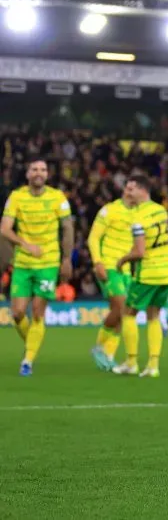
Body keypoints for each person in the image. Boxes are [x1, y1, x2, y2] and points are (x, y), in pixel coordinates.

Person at [0, 159, 73, 376]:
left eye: (42, 170)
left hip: (48, 262)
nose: (38, 173)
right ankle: (33, 342)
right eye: (34, 169)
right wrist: (25, 244)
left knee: (38, 313)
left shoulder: (57, 197)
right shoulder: (17, 196)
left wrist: (67, 259)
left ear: (47, 174)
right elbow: (4, 229)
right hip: (22, 262)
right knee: (18, 313)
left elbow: (67, 227)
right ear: (28, 174)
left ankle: (28, 360)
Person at [111, 175, 168, 378]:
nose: (127, 193)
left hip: (148, 273)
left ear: (143, 190)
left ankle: (131, 362)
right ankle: (153, 366)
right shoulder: (161, 210)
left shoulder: (138, 218)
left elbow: (139, 252)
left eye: (131, 189)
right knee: (153, 315)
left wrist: (122, 261)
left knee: (128, 313)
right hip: (167, 271)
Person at [87, 181, 140, 370]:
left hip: (127, 271)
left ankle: (107, 353)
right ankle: (99, 348)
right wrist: (97, 262)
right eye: (128, 187)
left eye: (134, 188)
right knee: (122, 307)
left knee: (120, 313)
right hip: (109, 267)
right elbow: (93, 238)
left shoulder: (140, 214)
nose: (130, 191)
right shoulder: (109, 210)